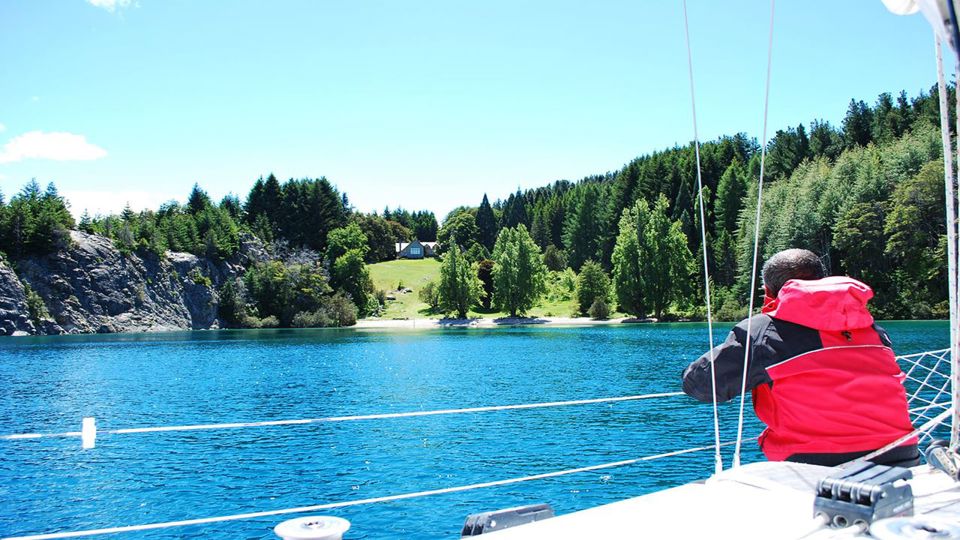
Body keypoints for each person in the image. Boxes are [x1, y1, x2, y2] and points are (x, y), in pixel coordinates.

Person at [682, 248, 919, 467]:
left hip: (817, 462)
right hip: (901, 453)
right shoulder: (871, 329)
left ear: (767, 292)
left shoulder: (765, 332)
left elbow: (701, 384)